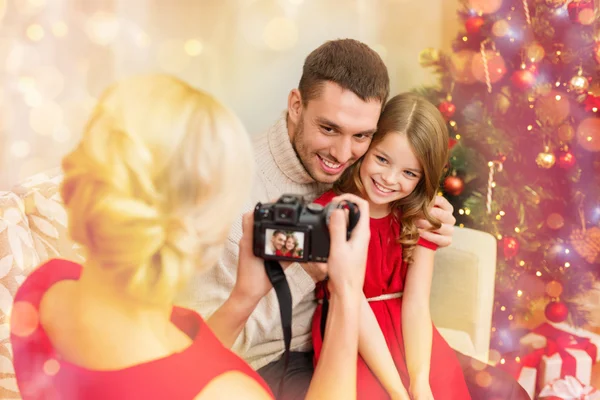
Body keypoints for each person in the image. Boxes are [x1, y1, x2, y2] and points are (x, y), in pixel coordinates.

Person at [178, 39, 528, 400]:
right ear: (296, 106)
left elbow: (401, 170)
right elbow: (198, 343)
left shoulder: (362, 172)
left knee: (507, 392)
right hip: (274, 358)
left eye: (361, 136)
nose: (343, 155)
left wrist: (430, 209)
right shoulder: (229, 189)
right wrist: (311, 267)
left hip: (365, 334)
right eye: (329, 129)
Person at [9, 74, 374, 400]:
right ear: (204, 226)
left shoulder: (47, 288)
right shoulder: (229, 392)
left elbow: (181, 366)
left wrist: (244, 298)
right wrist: (346, 290)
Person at [312, 93, 471, 400]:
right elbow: (352, 303)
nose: (389, 179)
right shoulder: (334, 211)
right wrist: (399, 391)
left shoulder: (419, 216)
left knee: (441, 386)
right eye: (382, 159)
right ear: (366, 148)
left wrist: (420, 380)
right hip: (352, 329)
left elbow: (416, 302)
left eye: (409, 173)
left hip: (411, 332)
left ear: (423, 178)